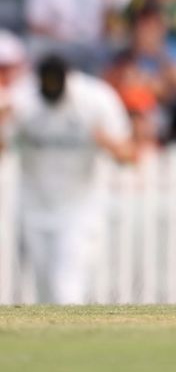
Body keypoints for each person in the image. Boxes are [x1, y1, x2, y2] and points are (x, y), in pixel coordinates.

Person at [0, 53, 134, 304]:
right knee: (44, 288)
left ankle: (73, 340)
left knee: (67, 284)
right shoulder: (22, 99)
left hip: (80, 208)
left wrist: (107, 142)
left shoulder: (95, 99)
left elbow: (129, 155)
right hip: (34, 208)